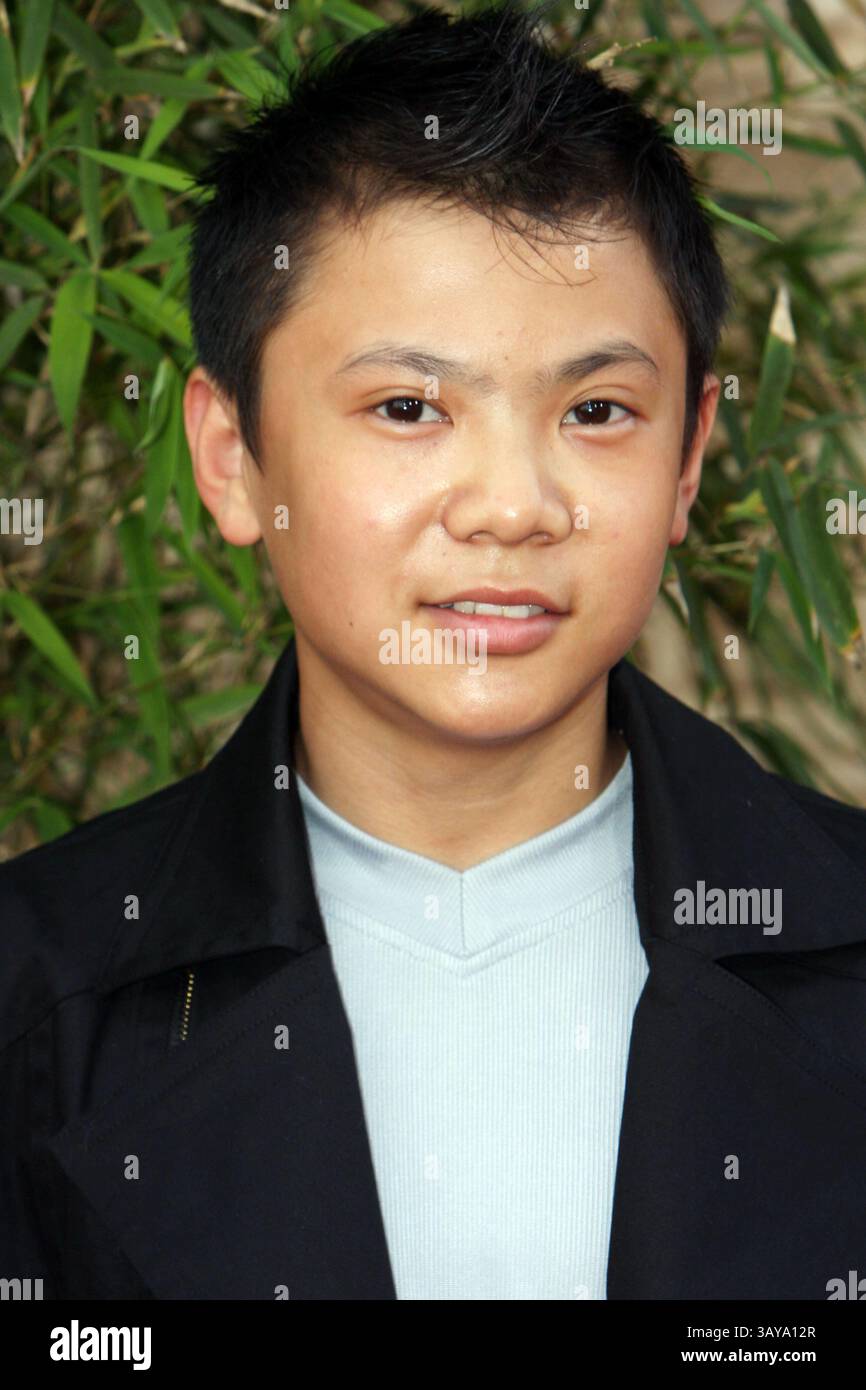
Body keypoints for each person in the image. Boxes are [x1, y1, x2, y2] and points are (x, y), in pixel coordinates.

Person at [2, 1, 866, 1302]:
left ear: (687, 461)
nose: (511, 504)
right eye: (408, 407)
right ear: (231, 455)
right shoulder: (35, 984)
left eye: (595, 409)